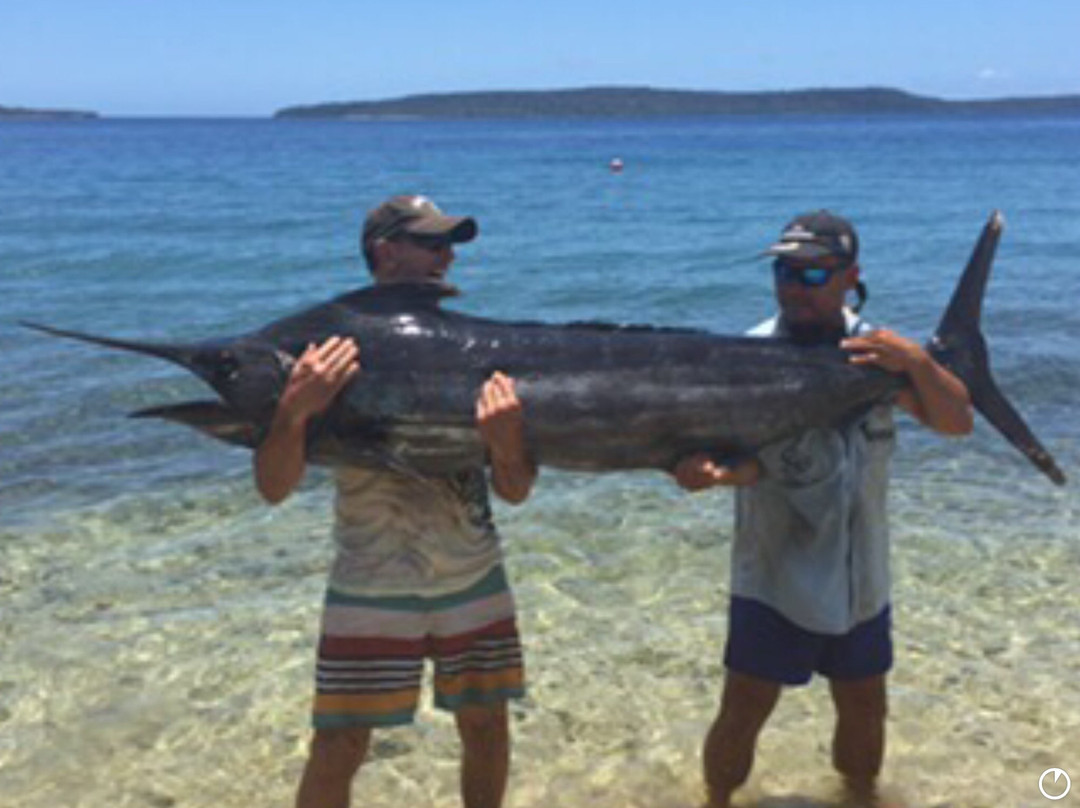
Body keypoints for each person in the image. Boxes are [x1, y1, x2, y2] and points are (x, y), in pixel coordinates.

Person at [673, 211, 974, 807]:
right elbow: (740, 461)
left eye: (813, 272)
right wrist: (709, 475)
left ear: (850, 277)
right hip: (774, 578)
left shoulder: (879, 355)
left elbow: (957, 421)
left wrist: (915, 361)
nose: (794, 286)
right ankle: (714, 802)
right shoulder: (748, 356)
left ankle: (860, 796)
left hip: (863, 579)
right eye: (785, 271)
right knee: (743, 709)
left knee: (865, 708)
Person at [254, 195, 537, 808]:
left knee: (487, 727)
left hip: (473, 570)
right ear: (385, 251)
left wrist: (508, 445)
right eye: (432, 244)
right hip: (372, 578)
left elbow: (513, 490)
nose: (448, 257)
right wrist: (294, 411)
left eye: (449, 245)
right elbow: (274, 488)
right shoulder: (327, 350)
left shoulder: (472, 347)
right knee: (340, 743)